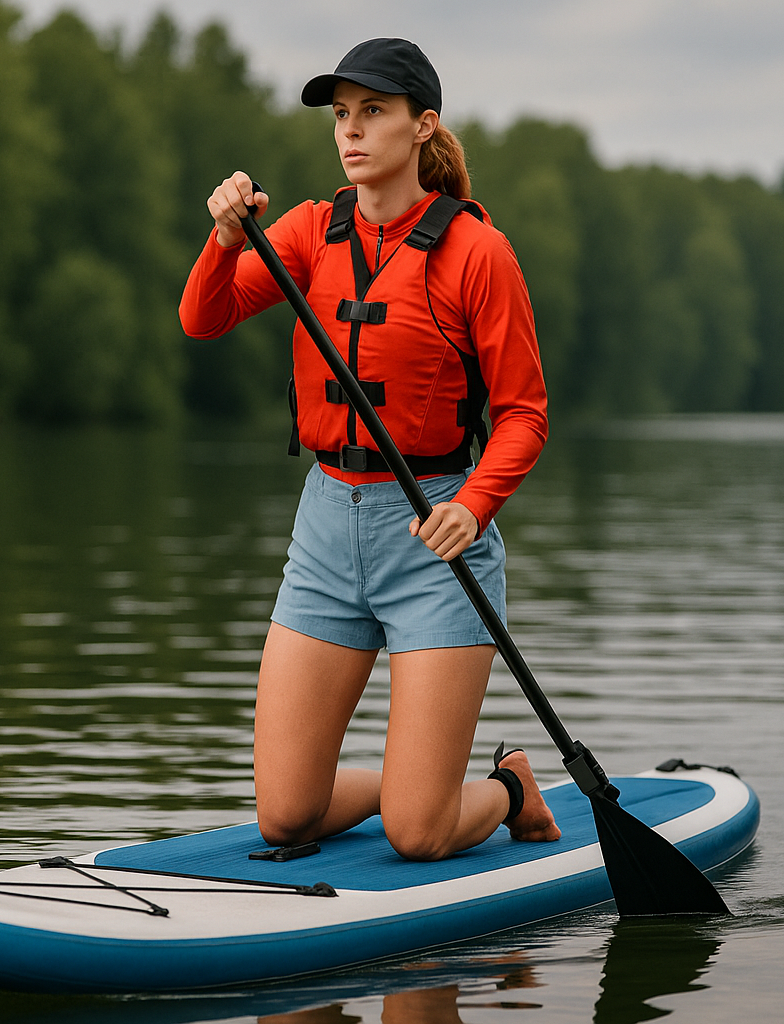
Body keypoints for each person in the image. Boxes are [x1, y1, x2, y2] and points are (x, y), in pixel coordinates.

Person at [179, 38, 559, 861]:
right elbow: (202, 319)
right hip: (324, 530)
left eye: (373, 112)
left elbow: (525, 415)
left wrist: (474, 504)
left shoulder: (478, 253)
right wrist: (224, 241)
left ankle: (506, 790)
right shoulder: (312, 231)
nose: (350, 132)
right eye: (341, 115)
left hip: (435, 538)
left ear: (424, 127)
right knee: (286, 817)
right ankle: (425, 786)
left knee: (418, 836)